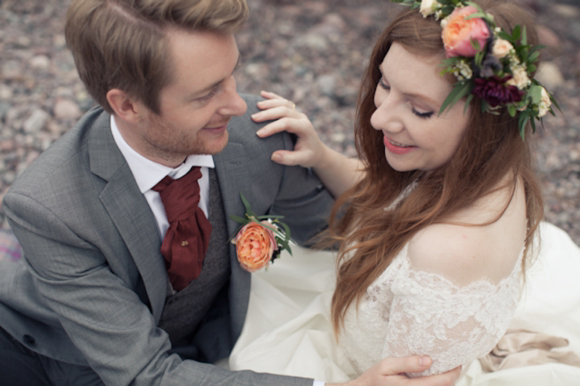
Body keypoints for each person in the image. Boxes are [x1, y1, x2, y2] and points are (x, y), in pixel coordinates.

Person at [0, 0, 462, 385]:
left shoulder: (258, 134)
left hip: (212, 346)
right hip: (61, 359)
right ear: (127, 105)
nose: (238, 104)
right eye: (205, 94)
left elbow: (338, 236)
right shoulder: (47, 209)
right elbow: (146, 373)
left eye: (232, 74)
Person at [229, 0, 580, 383]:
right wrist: (322, 156)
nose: (379, 118)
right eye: (385, 84)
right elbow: (393, 196)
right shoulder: (485, 168)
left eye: (420, 109)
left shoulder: (445, 251)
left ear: (486, 124)